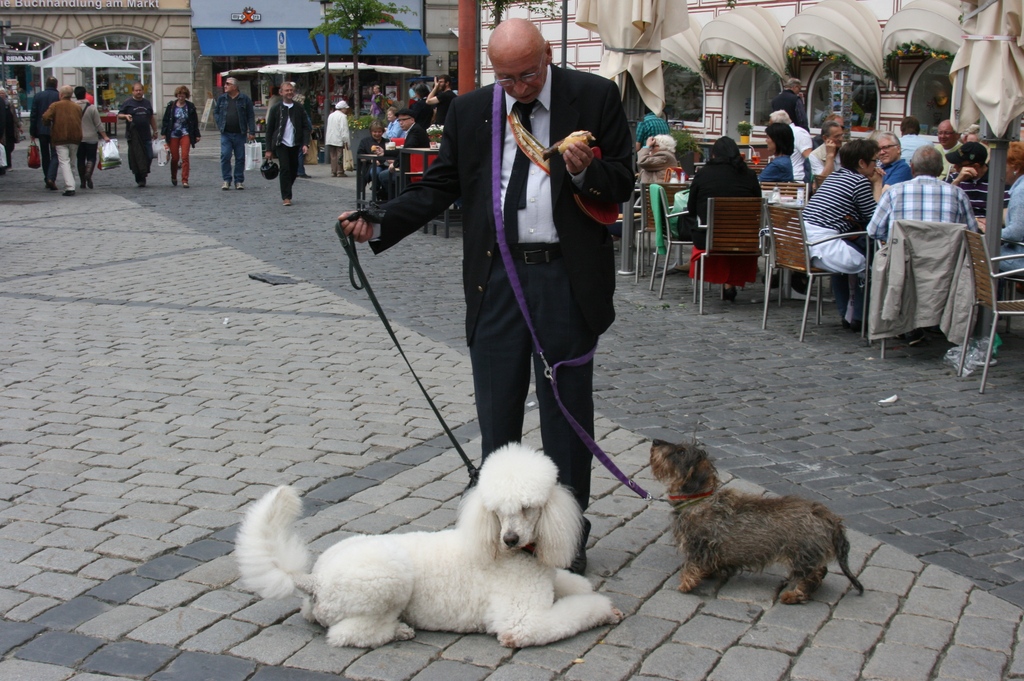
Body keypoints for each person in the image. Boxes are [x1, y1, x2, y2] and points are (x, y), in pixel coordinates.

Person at [339, 18, 633, 575]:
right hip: (496, 277)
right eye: (506, 77)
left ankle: (567, 537)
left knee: (565, 414)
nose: (518, 87)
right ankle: (502, 532)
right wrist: (379, 223)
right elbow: (442, 184)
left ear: (546, 55)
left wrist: (587, 171)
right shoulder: (473, 107)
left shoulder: (593, 96)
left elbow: (622, 183)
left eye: (527, 75)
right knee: (497, 411)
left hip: (565, 278)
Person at [801, 138, 883, 331]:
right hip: (824, 246)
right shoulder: (859, 182)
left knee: (859, 247)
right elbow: (875, 219)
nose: (876, 166)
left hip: (803, 244)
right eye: (874, 161)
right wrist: (878, 185)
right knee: (873, 257)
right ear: (862, 163)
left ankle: (846, 312)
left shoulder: (834, 177)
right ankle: (859, 316)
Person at [686, 136, 762, 300]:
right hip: (745, 238)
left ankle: (726, 283)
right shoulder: (749, 175)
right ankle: (730, 284)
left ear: (713, 155)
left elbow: (691, 208)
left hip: (709, 237)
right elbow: (758, 205)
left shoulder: (704, 174)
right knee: (731, 233)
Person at [867, 145, 977, 244]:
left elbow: (873, 231)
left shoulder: (893, 192)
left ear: (912, 167)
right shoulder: (958, 194)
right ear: (940, 170)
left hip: (902, 262)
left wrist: (895, 240)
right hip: (945, 263)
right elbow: (972, 233)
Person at [264, 81, 310, 207]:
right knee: (285, 168)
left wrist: (305, 143)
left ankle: (287, 187)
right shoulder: (276, 108)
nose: (289, 92)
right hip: (281, 143)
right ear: (281, 92)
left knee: (294, 170)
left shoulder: (299, 108)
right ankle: (286, 196)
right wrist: (268, 149)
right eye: (287, 90)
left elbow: (306, 127)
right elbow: (269, 130)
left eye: (291, 90)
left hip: (295, 143)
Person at [945, 141, 1010, 225]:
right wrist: (957, 181)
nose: (955, 167)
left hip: (987, 229)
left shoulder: (998, 182)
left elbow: (1006, 214)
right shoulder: (954, 178)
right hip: (959, 227)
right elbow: (943, 202)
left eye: (959, 164)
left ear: (975, 166)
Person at [214, 76, 256, 190]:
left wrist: (252, 131)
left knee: (240, 157)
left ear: (235, 86)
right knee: (225, 155)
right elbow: (216, 112)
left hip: (240, 133)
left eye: (228, 84)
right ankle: (227, 180)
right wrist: (219, 122)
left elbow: (250, 116)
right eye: (225, 84)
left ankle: (238, 180)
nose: (225, 86)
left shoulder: (244, 99)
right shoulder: (222, 98)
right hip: (226, 133)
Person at [41, 85, 82, 196]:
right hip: (75, 137)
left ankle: (69, 187)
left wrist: (48, 123)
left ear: (61, 94)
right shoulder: (77, 107)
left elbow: (45, 116)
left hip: (60, 137)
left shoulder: (55, 106)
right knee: (72, 162)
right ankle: (71, 184)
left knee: (64, 162)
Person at [118, 82, 159, 188]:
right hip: (134, 136)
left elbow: (151, 117)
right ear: (133, 91)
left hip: (146, 135)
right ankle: (140, 176)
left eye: (140, 90)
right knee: (136, 157)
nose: (138, 92)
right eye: (136, 90)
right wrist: (126, 116)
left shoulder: (147, 103)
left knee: (149, 156)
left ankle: (143, 171)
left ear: (143, 91)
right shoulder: (128, 103)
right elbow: (119, 115)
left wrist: (155, 130)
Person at [161, 85, 201, 188]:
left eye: (183, 96)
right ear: (177, 95)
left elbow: (194, 122)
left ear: (186, 96)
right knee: (175, 157)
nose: (181, 97)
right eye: (179, 95)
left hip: (185, 133)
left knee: (184, 156)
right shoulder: (171, 106)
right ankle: (174, 176)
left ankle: (185, 180)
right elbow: (166, 120)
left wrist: (197, 134)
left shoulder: (190, 106)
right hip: (173, 133)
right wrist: (163, 133)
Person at [74, 85, 109, 190]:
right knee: (91, 158)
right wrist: (105, 136)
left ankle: (82, 182)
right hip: (91, 138)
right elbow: (98, 124)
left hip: (78, 138)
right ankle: (88, 174)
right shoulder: (92, 108)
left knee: (80, 159)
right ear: (85, 94)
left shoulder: (72, 107)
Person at [30, 75, 60, 190]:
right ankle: (51, 177)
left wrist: (33, 131)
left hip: (41, 129)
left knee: (45, 154)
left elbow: (34, 115)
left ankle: (46, 176)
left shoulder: (38, 96)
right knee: (55, 154)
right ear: (56, 85)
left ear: (46, 84)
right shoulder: (59, 96)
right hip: (55, 129)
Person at [1000, 142, 1024, 272]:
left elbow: (1015, 232)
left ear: (1016, 167)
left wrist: (989, 234)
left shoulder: (1021, 190)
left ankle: (994, 293)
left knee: (976, 258)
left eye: (1004, 165)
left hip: (1019, 258)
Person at [769, 110, 812, 182]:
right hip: (780, 178)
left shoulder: (799, 133)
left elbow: (809, 158)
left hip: (796, 180)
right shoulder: (781, 135)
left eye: (771, 125)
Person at [356, 119, 392, 202]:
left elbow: (391, 154)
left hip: (386, 164)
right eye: (375, 132)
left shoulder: (387, 141)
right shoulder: (365, 141)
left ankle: (386, 192)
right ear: (371, 132)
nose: (377, 134)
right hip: (370, 166)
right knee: (376, 172)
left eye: (379, 132)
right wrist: (370, 160)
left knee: (389, 173)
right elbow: (360, 155)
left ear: (382, 132)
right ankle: (376, 191)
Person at [809, 120, 844, 186]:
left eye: (841, 135)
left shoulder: (846, 149)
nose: (841, 139)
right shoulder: (815, 155)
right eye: (837, 136)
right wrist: (830, 155)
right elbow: (823, 182)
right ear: (825, 138)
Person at [325, 99, 350, 178]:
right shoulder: (343, 116)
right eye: (345, 109)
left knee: (333, 155)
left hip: (330, 138)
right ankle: (340, 171)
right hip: (339, 138)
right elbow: (344, 130)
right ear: (342, 109)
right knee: (340, 155)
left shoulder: (331, 115)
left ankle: (333, 171)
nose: (346, 110)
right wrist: (346, 141)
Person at [0, 88, 21, 170]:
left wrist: (18, 125)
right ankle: (6, 164)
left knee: (10, 146)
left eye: (3, 93)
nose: (2, 95)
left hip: (10, 128)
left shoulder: (9, 104)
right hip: (3, 129)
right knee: (5, 147)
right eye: (0, 93)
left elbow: (14, 116)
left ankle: (7, 163)